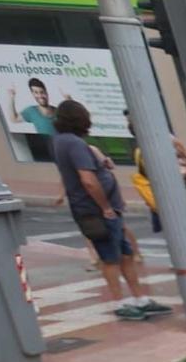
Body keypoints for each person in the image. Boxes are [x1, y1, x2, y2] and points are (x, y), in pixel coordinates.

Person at [49, 99, 169, 321]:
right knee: (110, 257)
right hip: (95, 210)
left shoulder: (64, 142)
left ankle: (139, 298)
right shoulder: (74, 144)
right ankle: (120, 302)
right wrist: (105, 207)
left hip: (99, 208)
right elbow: (88, 180)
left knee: (125, 253)